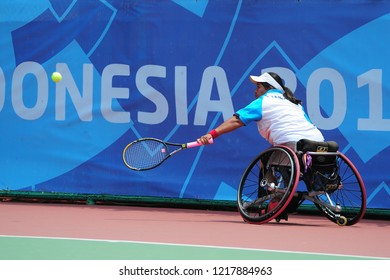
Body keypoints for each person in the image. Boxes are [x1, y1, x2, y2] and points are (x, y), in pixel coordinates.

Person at [197, 71, 324, 149]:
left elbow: (236, 121)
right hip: (318, 143)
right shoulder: (295, 104)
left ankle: (270, 191)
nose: (255, 90)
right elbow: (309, 125)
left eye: (258, 86)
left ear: (269, 87)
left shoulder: (264, 101)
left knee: (265, 161)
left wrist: (211, 134)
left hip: (291, 144)